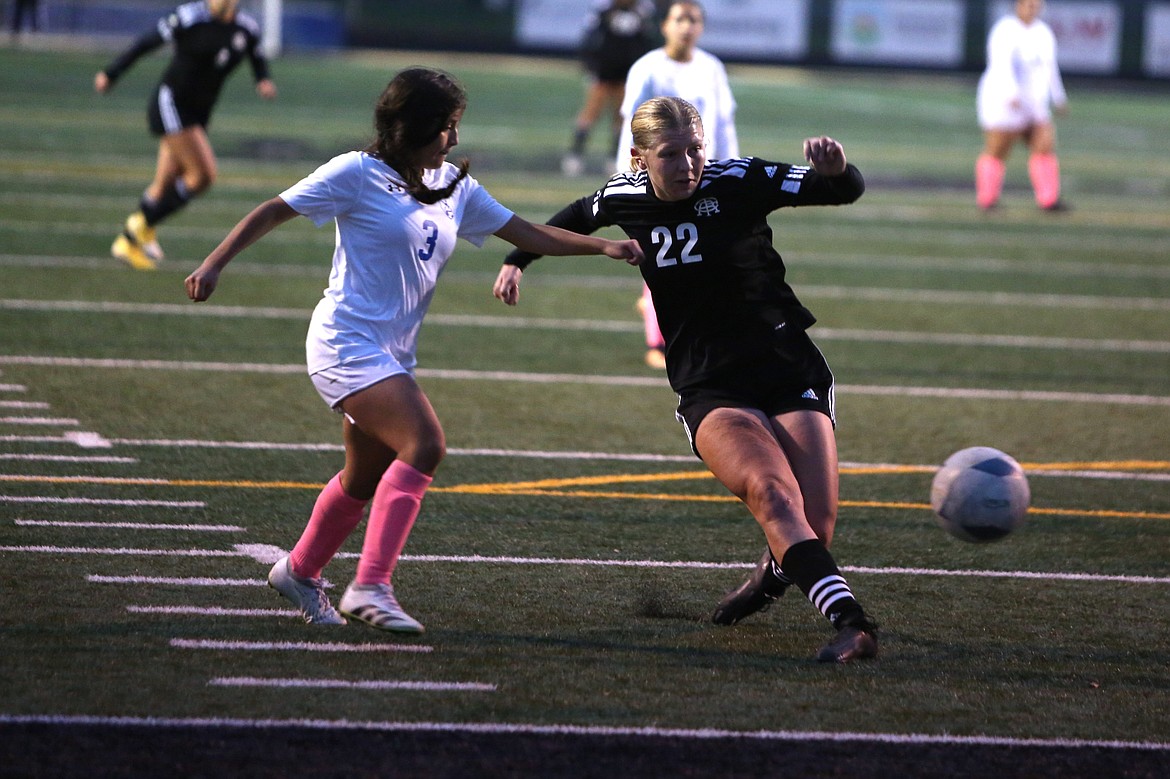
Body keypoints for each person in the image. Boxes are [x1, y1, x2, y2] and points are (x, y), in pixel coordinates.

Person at [185, 68, 643, 633]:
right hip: (344, 343)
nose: (453, 139)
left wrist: (602, 246)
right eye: (447, 127)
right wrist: (213, 264)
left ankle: (298, 572)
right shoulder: (357, 172)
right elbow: (273, 209)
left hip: (393, 351)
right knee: (424, 444)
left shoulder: (453, 185)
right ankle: (371, 587)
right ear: (414, 127)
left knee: (363, 476)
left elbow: (525, 232)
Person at [494, 97, 878, 663]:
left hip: (786, 364)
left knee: (813, 528)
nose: (688, 164)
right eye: (671, 153)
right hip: (710, 384)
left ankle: (765, 582)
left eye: (695, 150)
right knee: (773, 495)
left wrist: (838, 172)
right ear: (639, 157)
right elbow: (575, 215)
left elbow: (841, 190)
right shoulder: (623, 194)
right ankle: (855, 624)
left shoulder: (741, 178)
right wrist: (517, 260)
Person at [95, 0, 277, 271]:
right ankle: (139, 227)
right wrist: (112, 73)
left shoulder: (246, 28)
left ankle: (129, 241)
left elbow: (256, 55)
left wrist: (262, 80)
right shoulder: (189, 17)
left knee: (164, 185)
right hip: (172, 104)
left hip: (200, 112)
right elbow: (146, 43)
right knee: (202, 176)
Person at [616, 0, 738, 370]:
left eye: (694, 20)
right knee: (661, 252)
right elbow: (632, 126)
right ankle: (657, 338)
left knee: (703, 253)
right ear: (665, 25)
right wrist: (631, 171)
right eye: (680, 19)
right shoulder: (648, 67)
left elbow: (723, 122)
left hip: (702, 175)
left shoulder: (711, 68)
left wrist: (729, 171)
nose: (687, 26)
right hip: (660, 177)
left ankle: (688, 327)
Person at [975, 0, 1068, 211]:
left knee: (1044, 143)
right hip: (1002, 100)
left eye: (1036, 4)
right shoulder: (1004, 30)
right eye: (1028, 3)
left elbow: (1050, 68)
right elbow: (1000, 64)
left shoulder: (1043, 32)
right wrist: (1011, 94)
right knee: (998, 148)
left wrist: (1059, 97)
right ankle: (987, 199)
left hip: (1034, 100)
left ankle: (1048, 200)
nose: (1032, 8)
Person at [561, 0, 657, 178]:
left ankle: (614, 157)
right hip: (604, 69)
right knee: (591, 113)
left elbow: (647, 41)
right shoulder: (603, 9)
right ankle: (575, 153)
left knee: (622, 116)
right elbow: (590, 37)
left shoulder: (644, 10)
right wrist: (590, 65)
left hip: (628, 71)